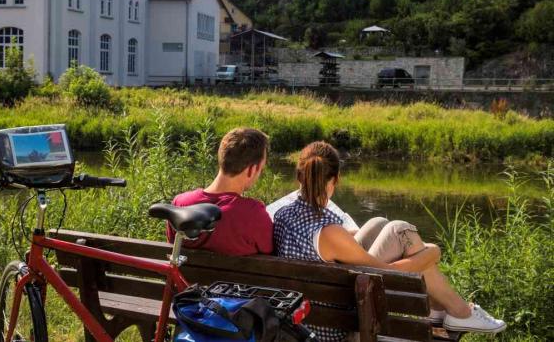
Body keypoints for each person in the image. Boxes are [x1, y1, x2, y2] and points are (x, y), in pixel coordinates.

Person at [273, 141, 506, 340]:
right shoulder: (329, 232)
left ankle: (440, 309)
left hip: (305, 321)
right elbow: (388, 274)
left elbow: (332, 247)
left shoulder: (283, 215)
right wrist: (431, 254)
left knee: (377, 223)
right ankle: (458, 312)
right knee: (399, 229)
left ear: (298, 177)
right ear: (335, 180)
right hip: (335, 330)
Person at [167, 128, 273, 256]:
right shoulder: (254, 214)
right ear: (252, 169)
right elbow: (271, 257)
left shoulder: (180, 203)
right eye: (261, 169)